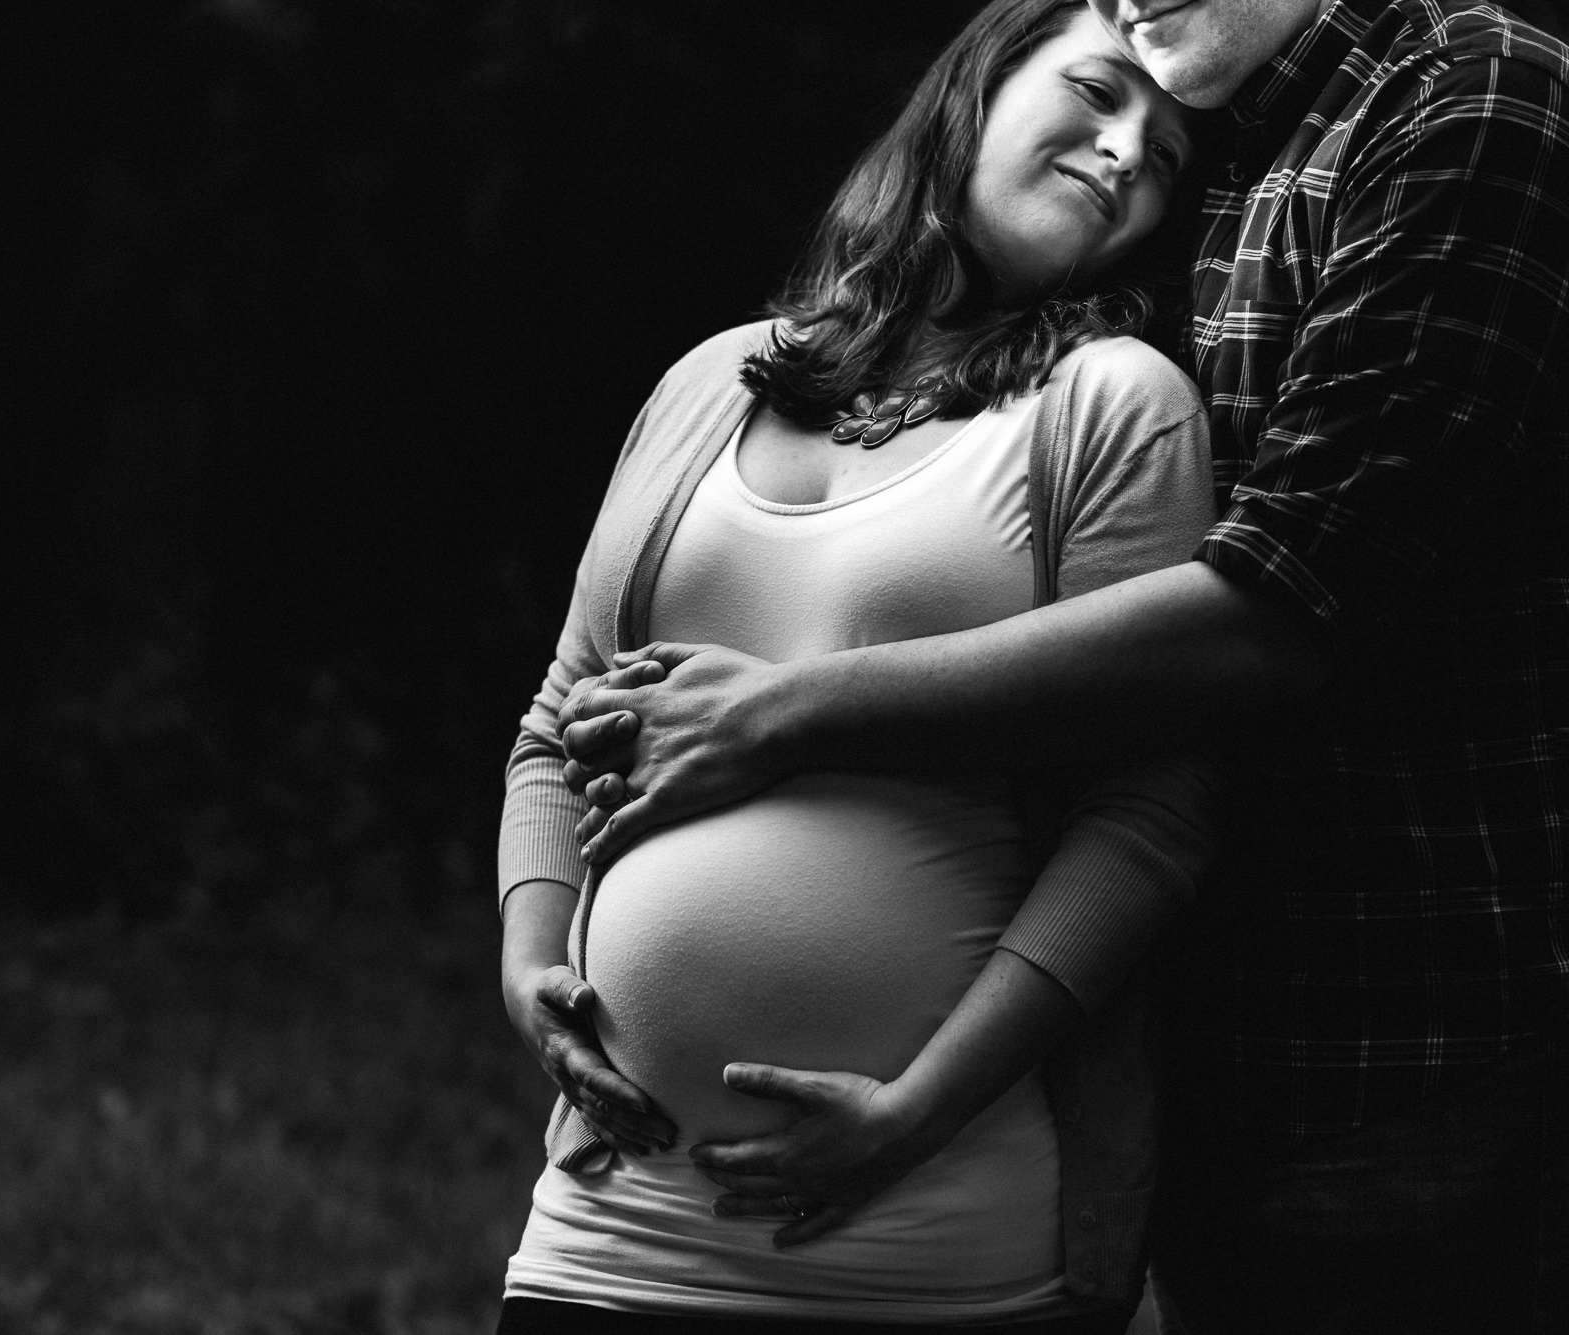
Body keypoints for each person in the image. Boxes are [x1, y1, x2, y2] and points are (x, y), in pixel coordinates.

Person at [557, 1, 1569, 1330]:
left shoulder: (1471, 93)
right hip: (1190, 1036)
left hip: (1405, 1033)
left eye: (1146, 152)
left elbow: (1285, 610)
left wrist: (786, 713)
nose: (1124, 152)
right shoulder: (1219, 159)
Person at [497, 2, 1215, 1329]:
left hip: (936, 1247)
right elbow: (558, 722)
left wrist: (915, 1113)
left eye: (1167, 156)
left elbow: (1146, 819)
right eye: (1101, 94)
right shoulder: (713, 384)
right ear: (976, 92)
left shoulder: (1114, 405)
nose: (1126, 154)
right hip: (609, 1229)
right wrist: (528, 954)